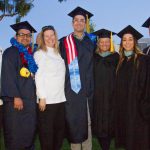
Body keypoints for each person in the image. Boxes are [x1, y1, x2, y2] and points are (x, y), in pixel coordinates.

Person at [59, 6, 95, 150]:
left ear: (85, 23)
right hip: (71, 89)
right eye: (76, 20)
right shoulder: (64, 43)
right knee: (73, 121)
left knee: (87, 122)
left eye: (82, 20)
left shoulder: (91, 42)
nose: (79, 23)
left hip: (88, 88)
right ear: (72, 23)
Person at [1, 21, 38, 150]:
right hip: (15, 102)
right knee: (15, 136)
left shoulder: (30, 56)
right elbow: (8, 76)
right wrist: (15, 96)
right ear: (16, 36)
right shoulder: (10, 52)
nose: (25, 37)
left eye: (28, 35)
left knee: (29, 134)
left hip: (29, 101)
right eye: (22, 34)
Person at [115, 25, 150, 150]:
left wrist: (144, 109)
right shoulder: (121, 62)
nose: (127, 42)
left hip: (139, 111)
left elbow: (147, 87)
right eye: (124, 39)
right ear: (121, 43)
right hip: (124, 110)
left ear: (135, 41)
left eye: (130, 39)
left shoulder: (144, 60)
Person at [34, 25, 66, 150]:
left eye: (52, 35)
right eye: (46, 36)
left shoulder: (58, 54)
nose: (49, 38)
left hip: (60, 100)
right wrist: (42, 97)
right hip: (47, 102)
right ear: (42, 38)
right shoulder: (40, 54)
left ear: (55, 36)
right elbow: (38, 76)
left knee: (58, 135)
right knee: (47, 137)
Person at [92, 29, 119, 150]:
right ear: (98, 43)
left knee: (110, 123)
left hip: (112, 96)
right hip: (97, 97)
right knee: (99, 123)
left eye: (107, 42)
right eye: (101, 42)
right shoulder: (93, 57)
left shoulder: (116, 57)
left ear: (110, 43)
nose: (104, 44)